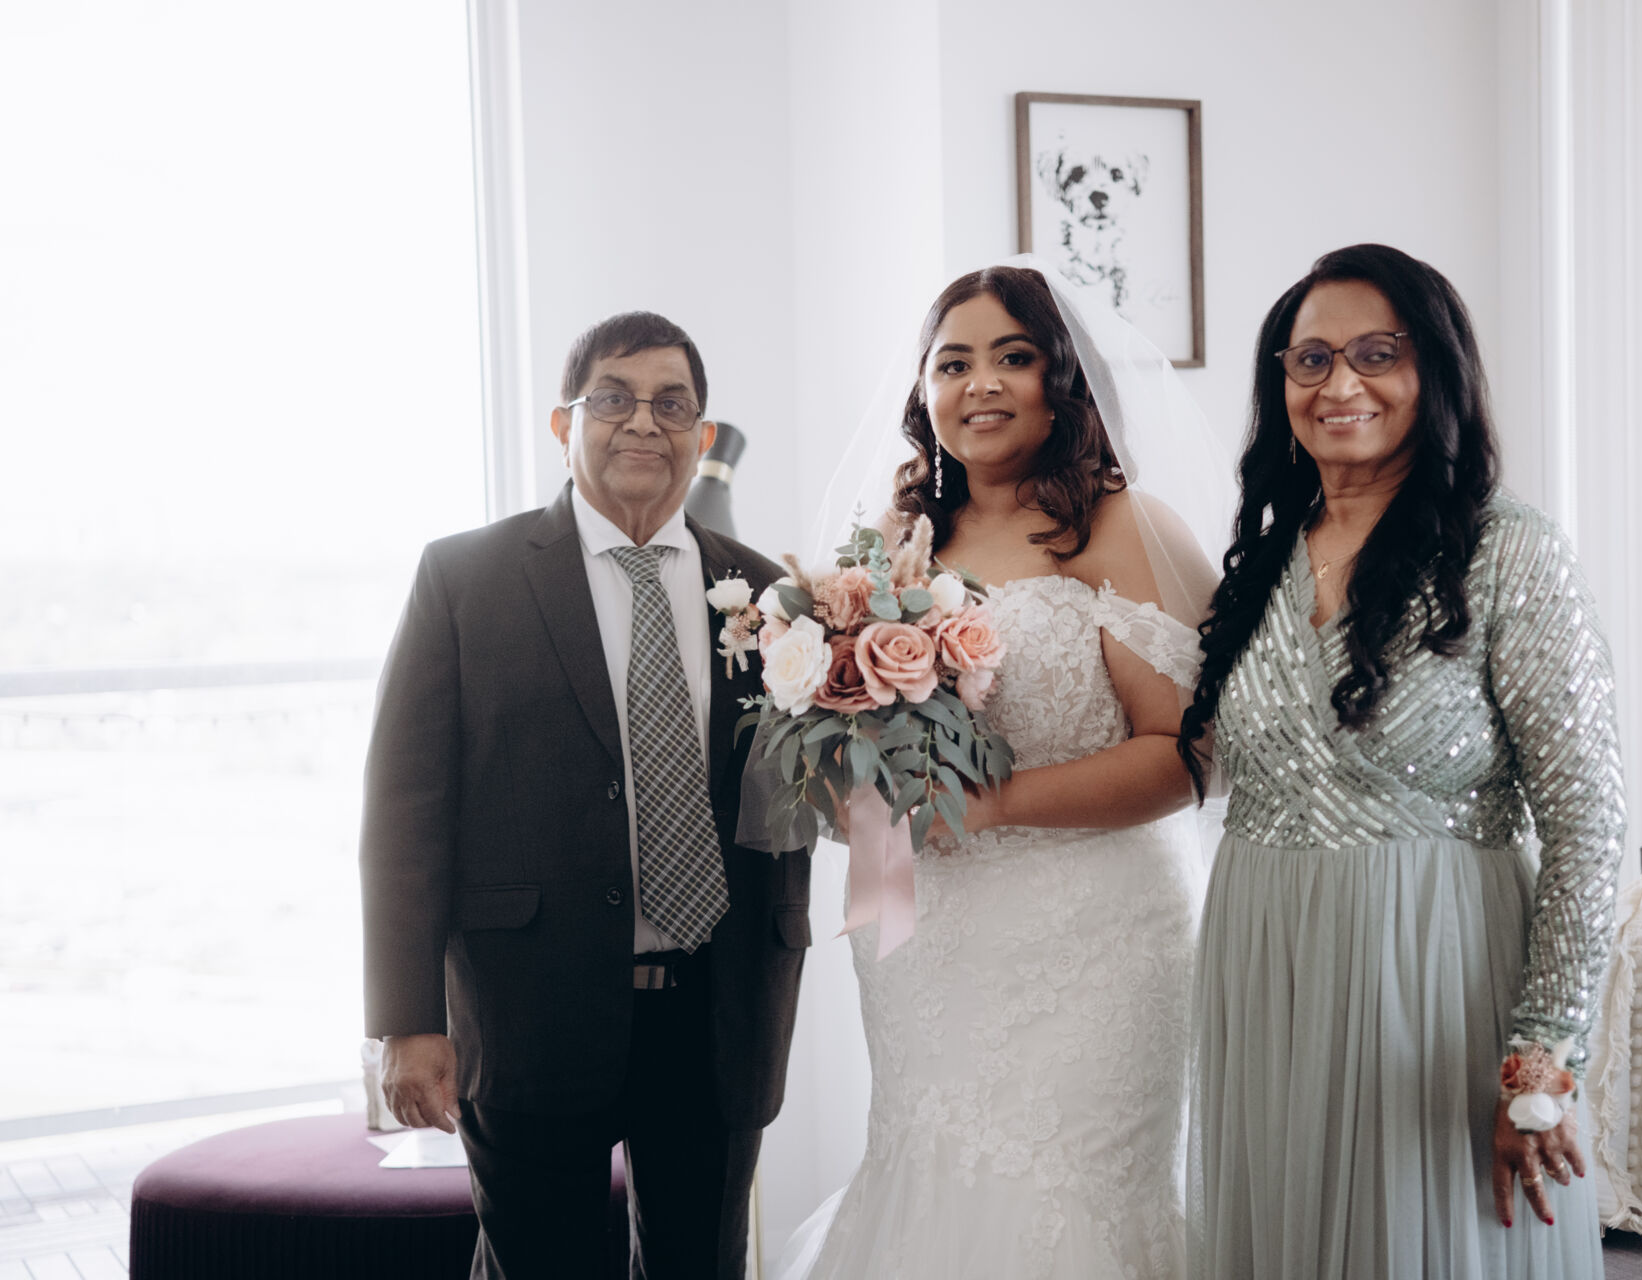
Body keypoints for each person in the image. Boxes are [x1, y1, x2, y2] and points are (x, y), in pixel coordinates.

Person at [770, 261, 1230, 1278]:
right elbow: (849, 754)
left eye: (1012, 358)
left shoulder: (1119, 523)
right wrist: (856, 796)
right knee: (927, 1178)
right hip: (928, 942)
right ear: (924, 390)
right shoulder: (890, 544)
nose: (979, 384)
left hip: (1098, 938)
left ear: (1060, 380)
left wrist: (990, 804)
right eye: (953, 363)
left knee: (1076, 1200)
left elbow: (1187, 753)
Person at [1179, 243, 1623, 1279]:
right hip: (1266, 965)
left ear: (1437, 370)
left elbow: (1587, 818)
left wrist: (1542, 1057)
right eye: (1312, 360)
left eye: (1378, 354)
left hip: (1436, 973)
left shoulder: (1510, 550)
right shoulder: (1263, 561)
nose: (1340, 384)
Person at [360, 311, 813, 1280]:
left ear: (702, 433)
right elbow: (404, 816)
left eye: (672, 404)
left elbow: (797, 791)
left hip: (719, 1009)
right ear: (564, 424)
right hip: (530, 1004)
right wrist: (406, 1019)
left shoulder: (771, 594)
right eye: (613, 398)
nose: (643, 421)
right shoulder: (465, 578)